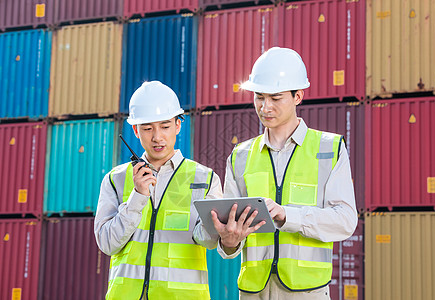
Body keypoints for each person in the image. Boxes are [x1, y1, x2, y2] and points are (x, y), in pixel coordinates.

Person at [212, 47, 358, 299]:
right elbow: (230, 245)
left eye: (276, 98)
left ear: (298, 96)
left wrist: (286, 214)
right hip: (252, 291)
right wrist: (228, 241)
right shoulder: (240, 155)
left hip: (307, 291)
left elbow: (345, 221)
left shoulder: (329, 149)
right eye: (259, 97)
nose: (265, 107)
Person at [94, 81, 222, 300]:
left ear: (178, 125)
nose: (157, 137)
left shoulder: (205, 179)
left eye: (165, 126)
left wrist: (227, 236)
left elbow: (210, 241)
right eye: (147, 128)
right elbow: (107, 244)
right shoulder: (115, 179)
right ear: (135, 130)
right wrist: (137, 197)